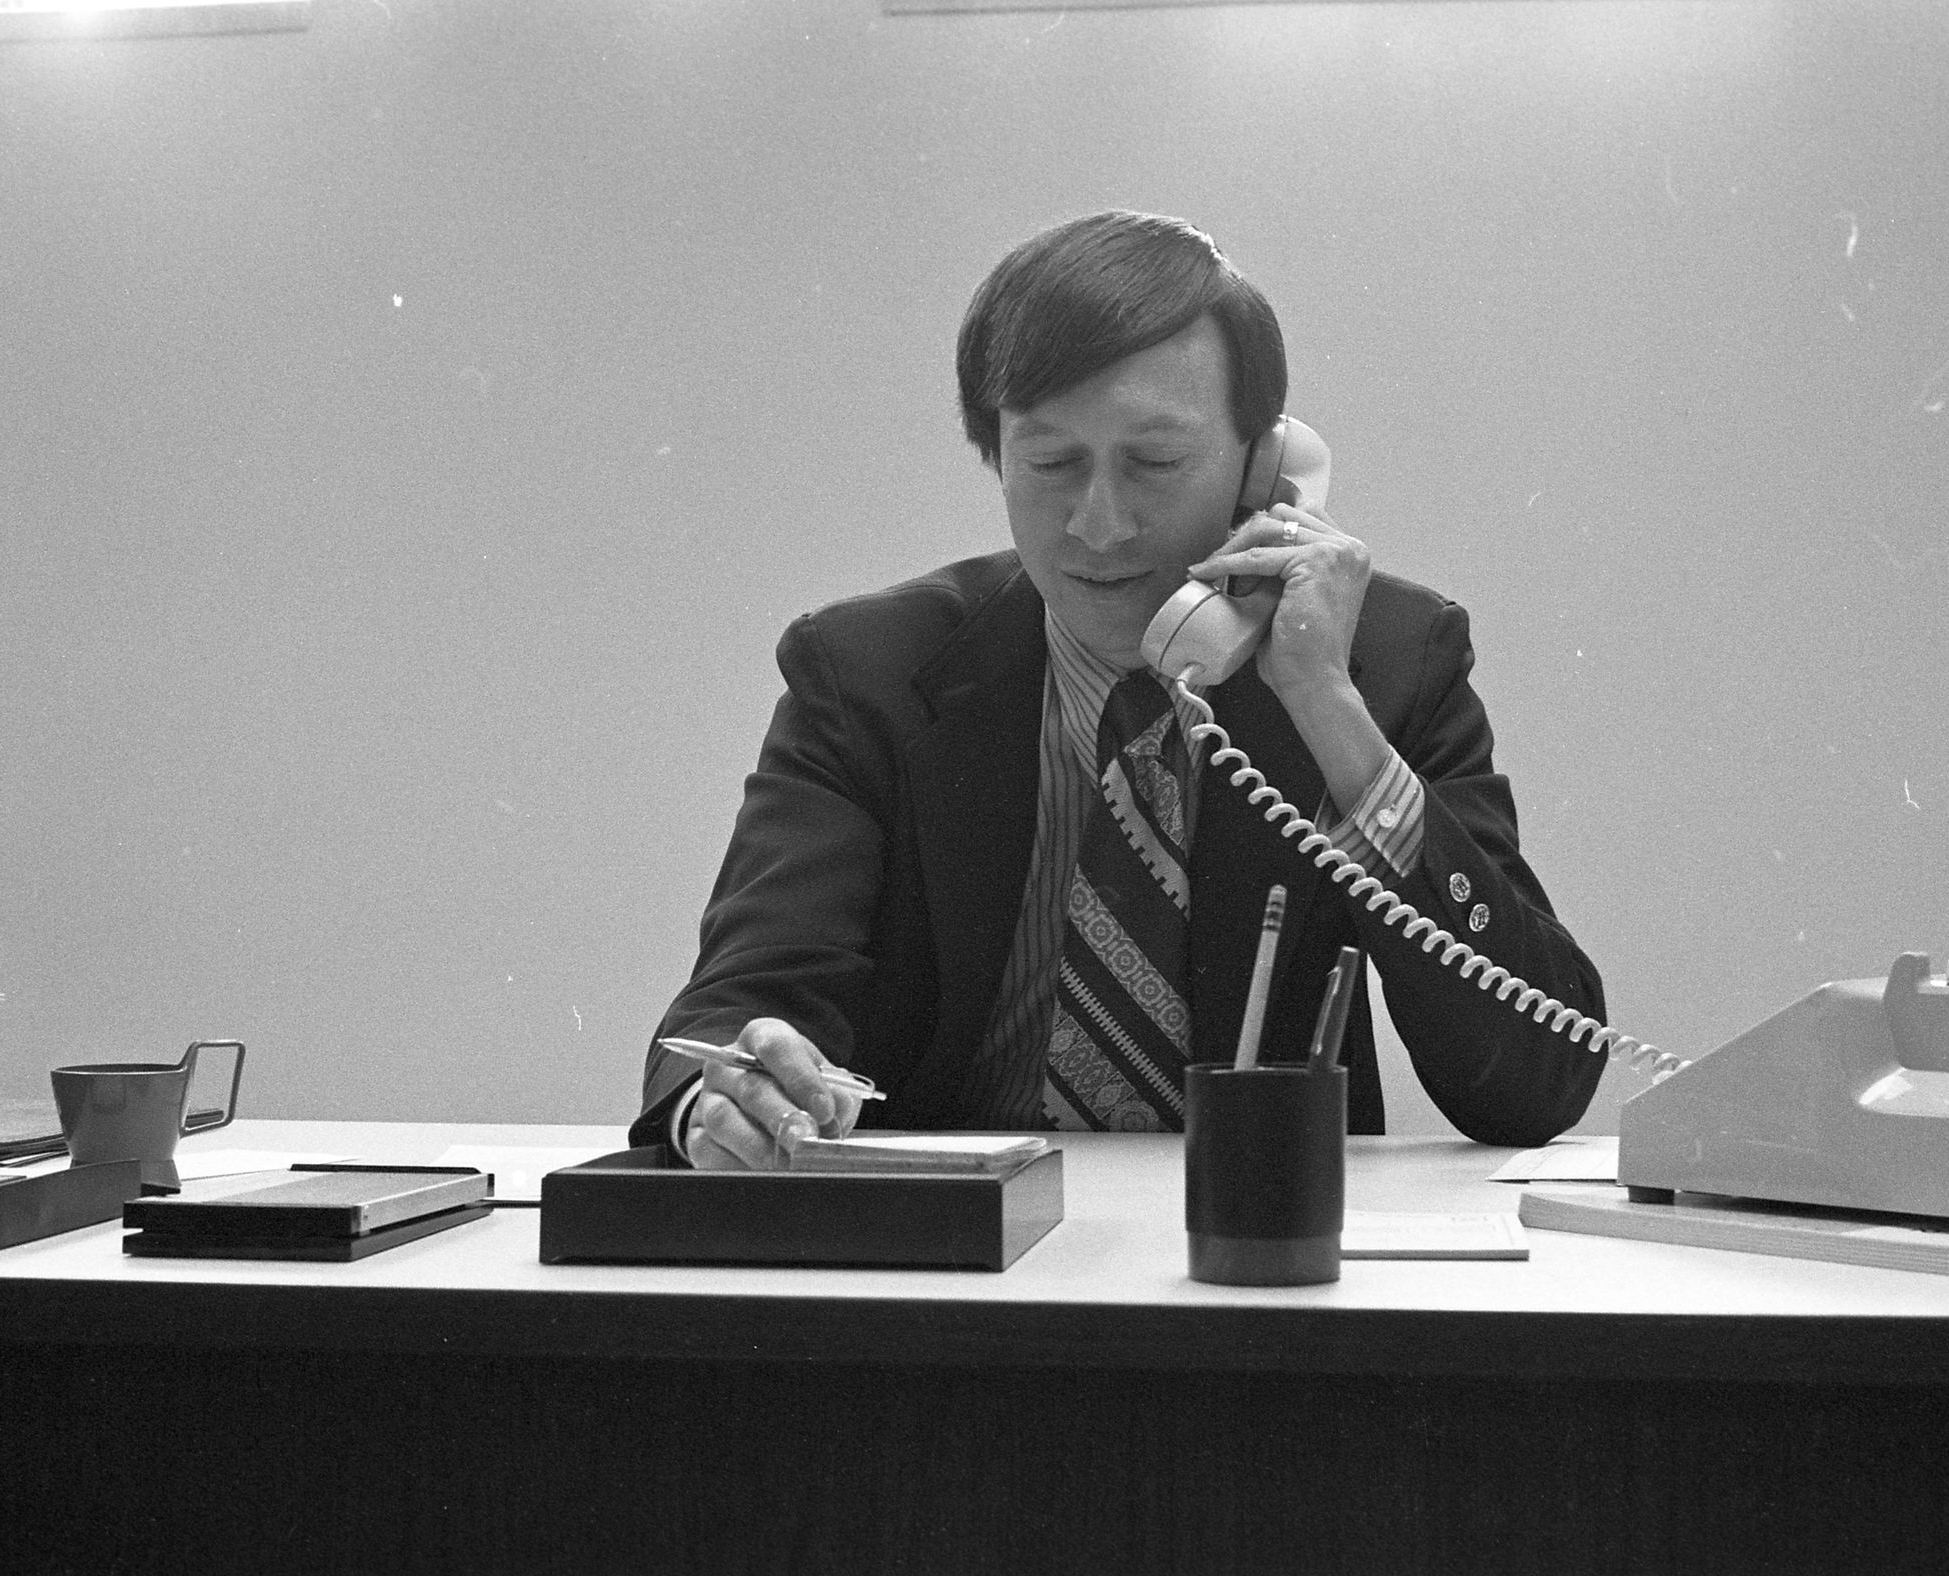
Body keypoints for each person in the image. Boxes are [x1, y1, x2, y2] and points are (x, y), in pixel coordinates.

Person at [635, 210, 1607, 1167]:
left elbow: (1536, 1082)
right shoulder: (867, 673)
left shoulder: (1384, 660)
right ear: (995, 454)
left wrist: (1329, 712)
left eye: (1155, 462)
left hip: (1255, 1234)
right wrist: (727, 1097)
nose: (1098, 524)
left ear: (1265, 469)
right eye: (1051, 463)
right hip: (961, 1234)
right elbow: (742, 1004)